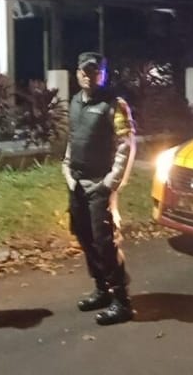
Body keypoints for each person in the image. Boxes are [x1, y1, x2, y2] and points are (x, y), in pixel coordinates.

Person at [62, 52, 137, 325]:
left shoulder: (114, 105)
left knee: (105, 242)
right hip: (77, 183)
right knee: (84, 236)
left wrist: (110, 183)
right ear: (77, 73)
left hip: (99, 184)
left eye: (94, 71)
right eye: (84, 71)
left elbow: (125, 145)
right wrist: (67, 168)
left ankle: (122, 301)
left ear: (103, 74)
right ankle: (102, 289)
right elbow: (73, 139)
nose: (88, 76)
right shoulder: (75, 102)